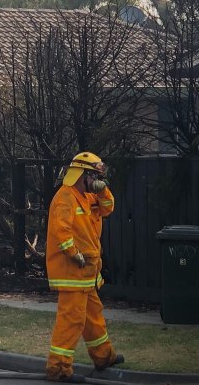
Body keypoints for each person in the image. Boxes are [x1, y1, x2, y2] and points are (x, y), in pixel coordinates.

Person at [44, 152, 123, 382]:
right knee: (72, 320)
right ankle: (58, 368)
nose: (98, 180)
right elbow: (62, 231)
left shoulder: (87, 197)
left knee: (93, 317)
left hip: (87, 272)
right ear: (83, 175)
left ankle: (103, 356)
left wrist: (102, 189)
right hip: (73, 272)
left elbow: (108, 208)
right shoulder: (65, 197)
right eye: (95, 176)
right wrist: (74, 254)